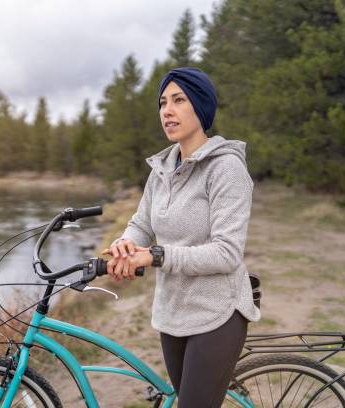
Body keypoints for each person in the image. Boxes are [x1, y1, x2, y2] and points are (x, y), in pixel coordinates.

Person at [101, 67, 260, 407]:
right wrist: (125, 243)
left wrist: (155, 256)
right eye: (162, 103)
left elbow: (226, 253)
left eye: (178, 100)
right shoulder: (161, 170)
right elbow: (141, 222)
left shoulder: (226, 169)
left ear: (200, 108)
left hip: (217, 314)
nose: (167, 111)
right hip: (172, 312)